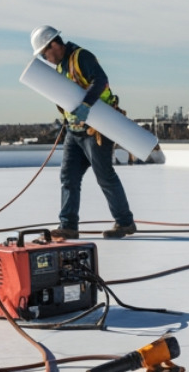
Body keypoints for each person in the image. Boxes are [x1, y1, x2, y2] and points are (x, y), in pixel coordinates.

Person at [29, 26, 137, 239]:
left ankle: (125, 223)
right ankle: (68, 225)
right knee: (68, 177)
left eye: (44, 54)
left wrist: (86, 105)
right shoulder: (60, 68)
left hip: (97, 129)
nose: (45, 59)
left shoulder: (81, 57)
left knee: (104, 176)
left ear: (54, 44)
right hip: (74, 132)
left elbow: (101, 80)